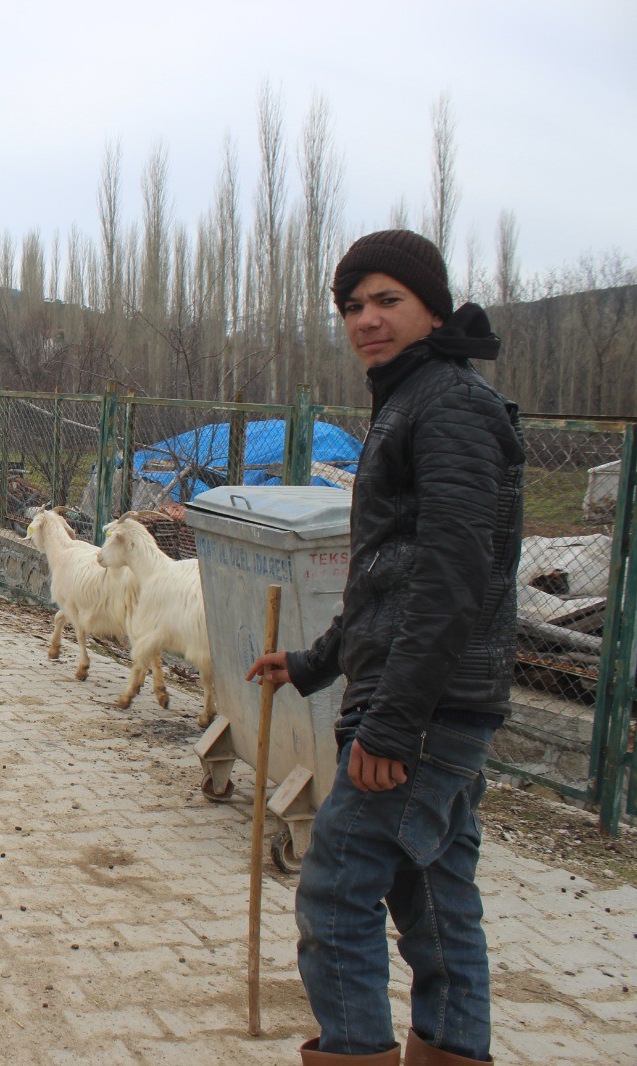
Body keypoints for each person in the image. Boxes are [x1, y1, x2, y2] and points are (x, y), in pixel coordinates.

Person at [247, 230, 524, 1065]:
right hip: (433, 696)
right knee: (435, 899)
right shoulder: (414, 399)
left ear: (431, 308)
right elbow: (389, 581)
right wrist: (312, 663)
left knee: (334, 893)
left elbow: (452, 576)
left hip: (425, 708)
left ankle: (359, 1048)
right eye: (352, 306)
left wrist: (394, 723)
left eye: (387, 301)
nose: (366, 319)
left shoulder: (449, 407)